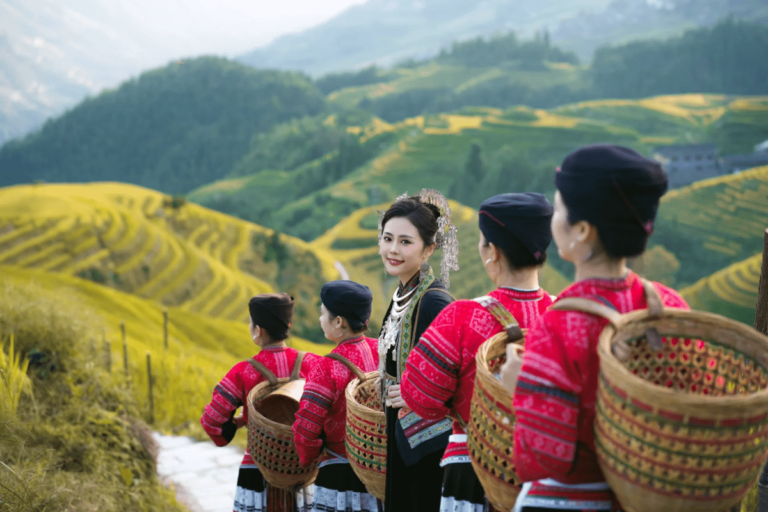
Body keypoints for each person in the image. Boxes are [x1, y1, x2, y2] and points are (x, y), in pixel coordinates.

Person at [503, 144, 690, 512]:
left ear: (582, 231)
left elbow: (545, 456)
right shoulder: (670, 306)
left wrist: (519, 389)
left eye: (559, 209)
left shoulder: (560, 321)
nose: (553, 219)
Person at [401, 192, 556, 512]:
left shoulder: (464, 317)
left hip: (474, 469)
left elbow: (420, 398)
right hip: (546, 472)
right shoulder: (562, 316)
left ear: (493, 252)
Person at [376, 189, 459, 512]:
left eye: (405, 242)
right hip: (402, 440)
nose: (393, 250)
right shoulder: (404, 294)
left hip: (427, 450)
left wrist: (414, 395)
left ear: (429, 250)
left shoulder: (434, 303)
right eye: (387, 238)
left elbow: (458, 379)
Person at [202, 293, 319, 512]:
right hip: (303, 472)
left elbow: (212, 422)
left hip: (258, 470)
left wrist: (237, 423)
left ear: (258, 331)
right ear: (289, 325)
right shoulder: (313, 364)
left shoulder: (244, 372)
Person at [293, 280, 381, 512]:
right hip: (383, 471)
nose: (320, 319)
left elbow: (306, 428)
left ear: (339, 322)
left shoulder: (327, 367)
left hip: (341, 475)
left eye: (323, 313)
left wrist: (307, 459)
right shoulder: (384, 351)